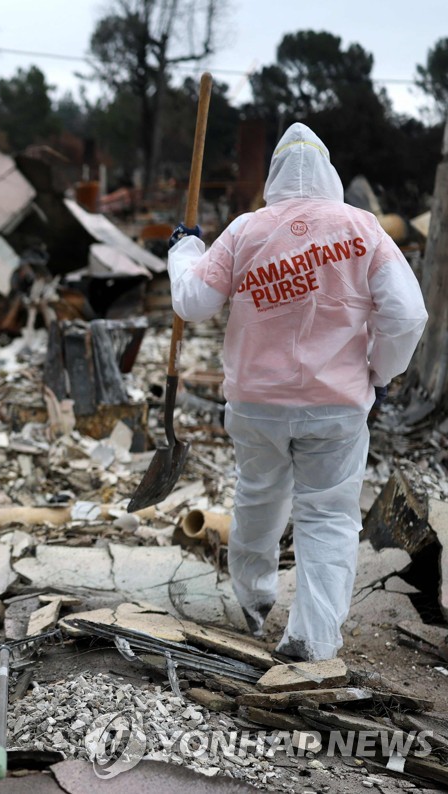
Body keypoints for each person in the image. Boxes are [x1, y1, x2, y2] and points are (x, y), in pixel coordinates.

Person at [167, 122, 428, 661]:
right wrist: (378, 372)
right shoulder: (363, 230)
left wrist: (185, 250)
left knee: (259, 499)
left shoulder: (246, 230)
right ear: (329, 172)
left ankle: (253, 603)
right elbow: (407, 314)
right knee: (328, 515)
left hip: (256, 402)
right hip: (335, 405)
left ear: (275, 174)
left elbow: (192, 302)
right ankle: (312, 638)